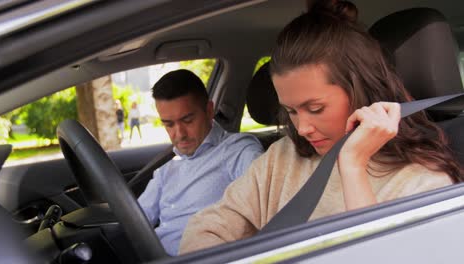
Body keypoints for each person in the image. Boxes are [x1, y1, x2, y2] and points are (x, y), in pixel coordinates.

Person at [179, 0, 463, 254]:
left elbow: (379, 255)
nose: (302, 128)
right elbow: (208, 227)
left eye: (315, 109)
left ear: (363, 93)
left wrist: (352, 164)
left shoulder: (426, 183)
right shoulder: (282, 157)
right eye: (291, 111)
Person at [138, 69, 264, 256]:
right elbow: (137, 219)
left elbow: (265, 210)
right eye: (169, 124)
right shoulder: (167, 166)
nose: (179, 134)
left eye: (187, 120)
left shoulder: (238, 151)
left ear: (209, 110)